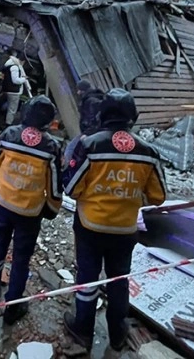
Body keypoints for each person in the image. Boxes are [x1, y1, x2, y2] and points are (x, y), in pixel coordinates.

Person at [62, 88, 166, 356]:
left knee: (87, 278)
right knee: (118, 282)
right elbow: (159, 195)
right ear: (133, 116)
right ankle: (118, 336)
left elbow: (72, 189)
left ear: (102, 114)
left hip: (90, 228)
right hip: (125, 231)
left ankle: (82, 329)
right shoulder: (149, 151)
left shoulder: (89, 145)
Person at [0, 95, 62, 325]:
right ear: (48, 121)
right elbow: (55, 185)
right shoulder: (52, 146)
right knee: (21, 259)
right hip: (29, 213)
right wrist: (52, 208)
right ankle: (12, 307)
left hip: (2, 204)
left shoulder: (8, 135)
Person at [63, 80, 106, 167]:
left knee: (70, 150)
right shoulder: (92, 98)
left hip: (91, 133)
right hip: (93, 132)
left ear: (83, 90)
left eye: (79, 90)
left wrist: (87, 134)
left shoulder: (91, 101)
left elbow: (95, 119)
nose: (78, 92)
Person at [1, 51, 29, 126]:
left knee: (7, 105)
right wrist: (24, 79)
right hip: (14, 91)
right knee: (12, 110)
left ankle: (3, 119)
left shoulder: (8, 65)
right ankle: (8, 124)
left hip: (7, 90)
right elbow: (15, 80)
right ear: (22, 61)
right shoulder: (15, 67)